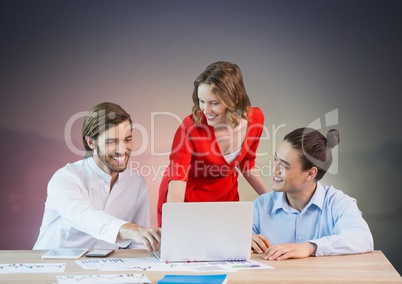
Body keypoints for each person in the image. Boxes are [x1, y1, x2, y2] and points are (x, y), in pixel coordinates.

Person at [34, 102, 160, 252]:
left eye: (127, 139)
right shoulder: (65, 178)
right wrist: (132, 230)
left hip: (106, 270)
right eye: (111, 141)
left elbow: (139, 245)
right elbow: (85, 216)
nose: (122, 150)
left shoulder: (136, 183)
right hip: (52, 266)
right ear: (91, 142)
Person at [157, 61, 269, 226]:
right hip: (186, 202)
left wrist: (271, 200)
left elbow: (247, 164)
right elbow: (177, 179)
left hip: (225, 198)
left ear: (235, 100)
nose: (205, 110)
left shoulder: (256, 119)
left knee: (230, 249)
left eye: (214, 103)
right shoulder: (191, 127)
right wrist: (174, 224)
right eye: (202, 101)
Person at [252, 127, 374, 260]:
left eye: (284, 165)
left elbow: (363, 238)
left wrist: (310, 247)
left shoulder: (338, 203)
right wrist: (244, 240)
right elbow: (231, 239)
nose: (274, 169)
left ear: (310, 173)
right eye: (276, 159)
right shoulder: (260, 206)